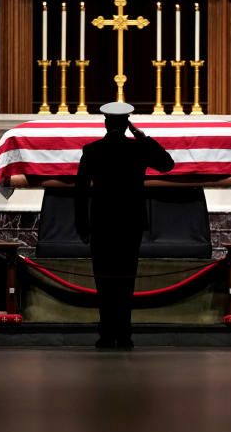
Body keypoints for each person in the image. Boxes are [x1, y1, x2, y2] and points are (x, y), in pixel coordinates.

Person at [74, 102, 175, 350]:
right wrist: (144, 137)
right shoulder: (138, 149)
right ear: (127, 124)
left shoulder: (92, 150)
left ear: (106, 123)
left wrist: (82, 226)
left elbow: (80, 192)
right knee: (126, 280)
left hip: (102, 223)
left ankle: (106, 334)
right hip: (130, 223)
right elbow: (167, 164)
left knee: (104, 280)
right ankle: (125, 334)